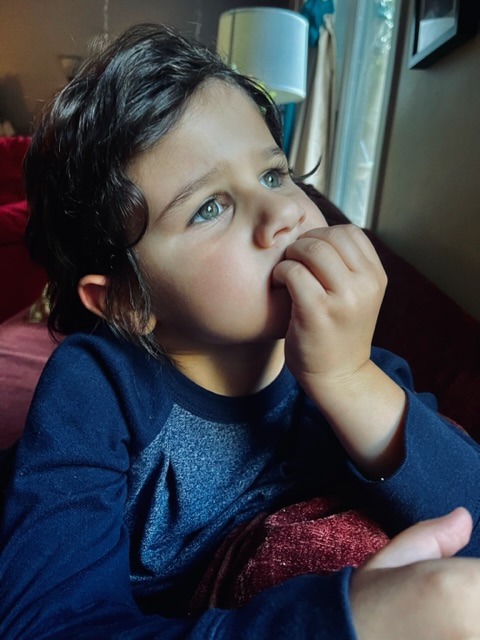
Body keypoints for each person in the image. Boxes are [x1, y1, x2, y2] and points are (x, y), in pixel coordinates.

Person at [1, 23, 480, 639]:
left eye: (275, 174)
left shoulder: (357, 364)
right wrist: (346, 620)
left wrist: (349, 378)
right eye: (209, 207)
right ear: (125, 302)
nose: (282, 213)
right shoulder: (98, 389)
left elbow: (469, 523)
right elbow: (49, 627)